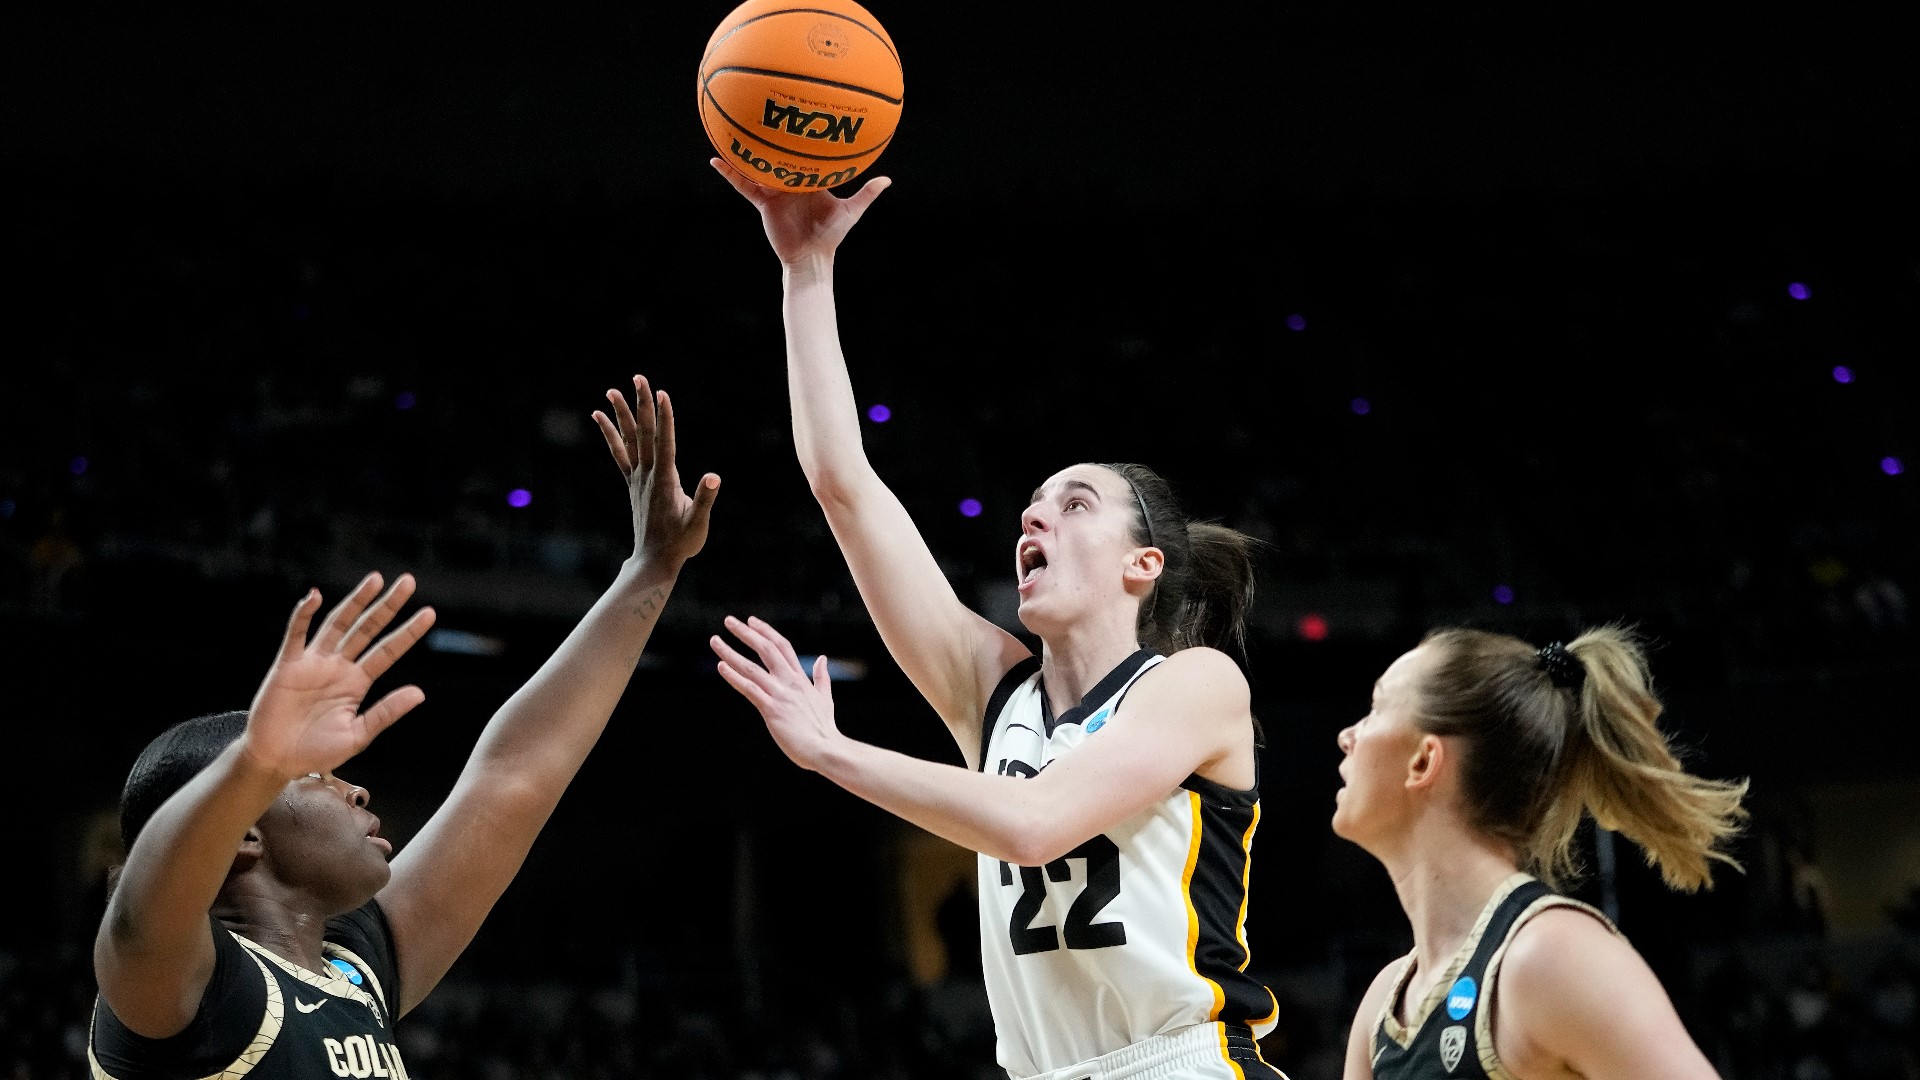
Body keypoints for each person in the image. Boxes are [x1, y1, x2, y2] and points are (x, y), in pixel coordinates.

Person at [707, 161, 1288, 1080]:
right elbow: (844, 487)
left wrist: (832, 753)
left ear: (1147, 566)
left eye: (1075, 504)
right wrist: (805, 273)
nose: (1034, 518)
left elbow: (1034, 823)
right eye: (1033, 505)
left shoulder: (1198, 685)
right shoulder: (996, 691)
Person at [89, 376, 718, 1080]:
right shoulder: (176, 992)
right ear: (244, 834)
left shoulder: (357, 969)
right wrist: (255, 761)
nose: (355, 792)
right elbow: (141, 916)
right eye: (317, 777)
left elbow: (512, 779)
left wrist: (651, 571)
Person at [1332, 626, 1749, 1079]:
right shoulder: (1383, 1006)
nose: (1347, 735)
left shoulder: (1549, 955)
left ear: (1423, 761)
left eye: (1375, 709)